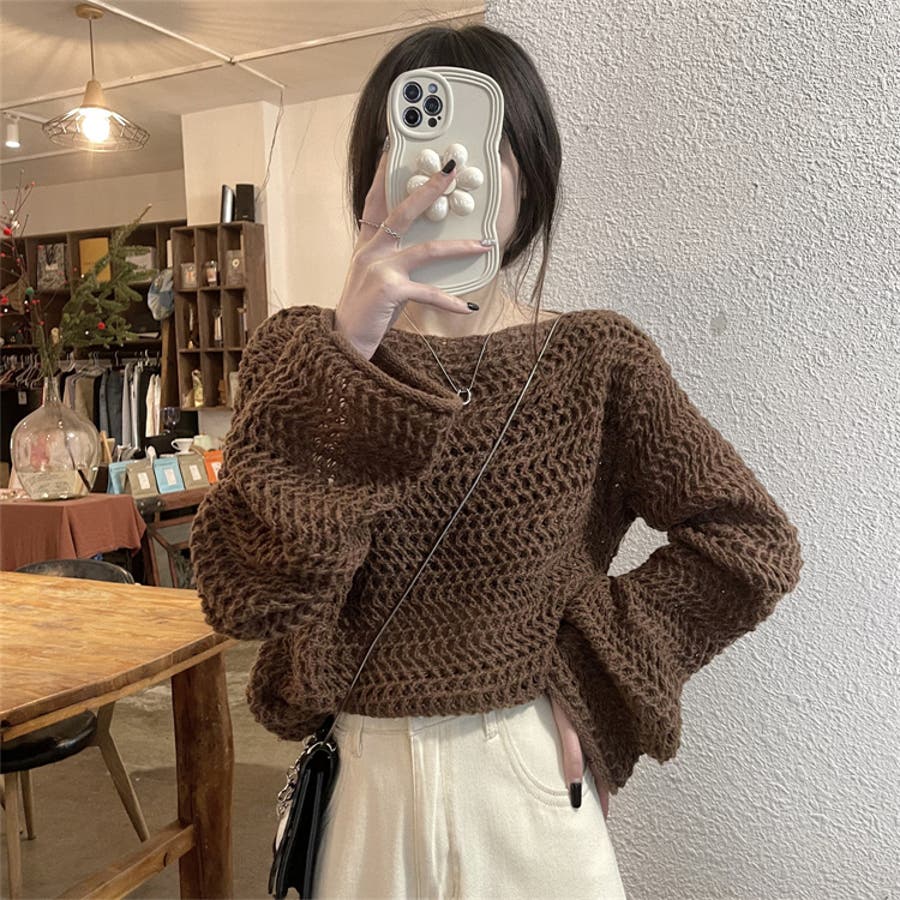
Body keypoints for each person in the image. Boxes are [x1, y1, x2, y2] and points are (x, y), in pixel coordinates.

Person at [189, 22, 803, 900]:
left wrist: (592, 676)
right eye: (410, 141)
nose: (443, 173)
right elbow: (244, 595)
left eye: (482, 145)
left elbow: (750, 541)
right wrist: (347, 352)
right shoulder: (302, 356)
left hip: (526, 779)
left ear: (530, 175)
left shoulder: (596, 361)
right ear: (371, 170)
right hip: (361, 785)